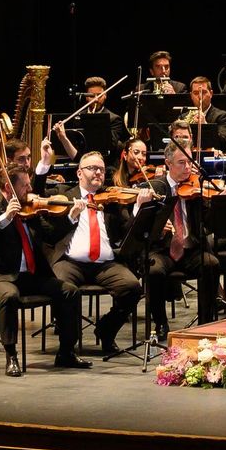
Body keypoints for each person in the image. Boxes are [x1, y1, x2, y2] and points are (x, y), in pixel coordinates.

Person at [0, 164, 90, 376]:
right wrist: (5, 217)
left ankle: (66, 352)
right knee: (9, 296)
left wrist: (71, 217)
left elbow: (50, 235)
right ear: (8, 188)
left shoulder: (30, 207)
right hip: (1, 275)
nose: (30, 189)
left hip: (31, 275)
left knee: (70, 291)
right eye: (25, 185)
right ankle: (11, 356)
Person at [49, 149, 145, 356]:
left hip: (105, 264)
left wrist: (137, 208)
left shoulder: (110, 201)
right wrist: (71, 217)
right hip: (70, 262)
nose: (98, 173)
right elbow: (49, 232)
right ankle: (67, 348)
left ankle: (106, 330)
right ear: (79, 173)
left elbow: (126, 232)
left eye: (101, 169)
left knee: (132, 287)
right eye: (92, 168)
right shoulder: (65, 196)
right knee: (62, 288)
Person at [139, 146, 221, 341]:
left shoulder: (197, 187)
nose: (187, 168)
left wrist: (218, 201)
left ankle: (206, 321)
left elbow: (210, 223)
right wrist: (156, 225)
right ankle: (160, 323)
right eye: (181, 163)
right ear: (168, 163)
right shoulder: (154, 187)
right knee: (154, 271)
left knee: (212, 264)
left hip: (190, 248)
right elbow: (141, 226)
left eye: (189, 163)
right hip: (162, 250)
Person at [187, 76, 226, 152]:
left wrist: (205, 125)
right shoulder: (183, 116)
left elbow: (224, 142)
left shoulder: (223, 116)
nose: (199, 96)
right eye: (195, 93)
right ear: (191, 96)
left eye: (204, 92)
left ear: (211, 94)